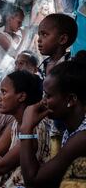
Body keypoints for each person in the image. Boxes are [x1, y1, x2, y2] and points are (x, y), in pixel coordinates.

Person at [20, 58, 86, 188]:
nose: (43, 101)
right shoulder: (73, 126)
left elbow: (34, 182)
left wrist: (26, 129)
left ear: (71, 99)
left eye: (48, 96)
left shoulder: (82, 138)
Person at [38, 13, 77, 79]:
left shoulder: (73, 68)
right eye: (39, 35)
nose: (39, 40)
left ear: (62, 39)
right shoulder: (42, 66)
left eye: (44, 34)